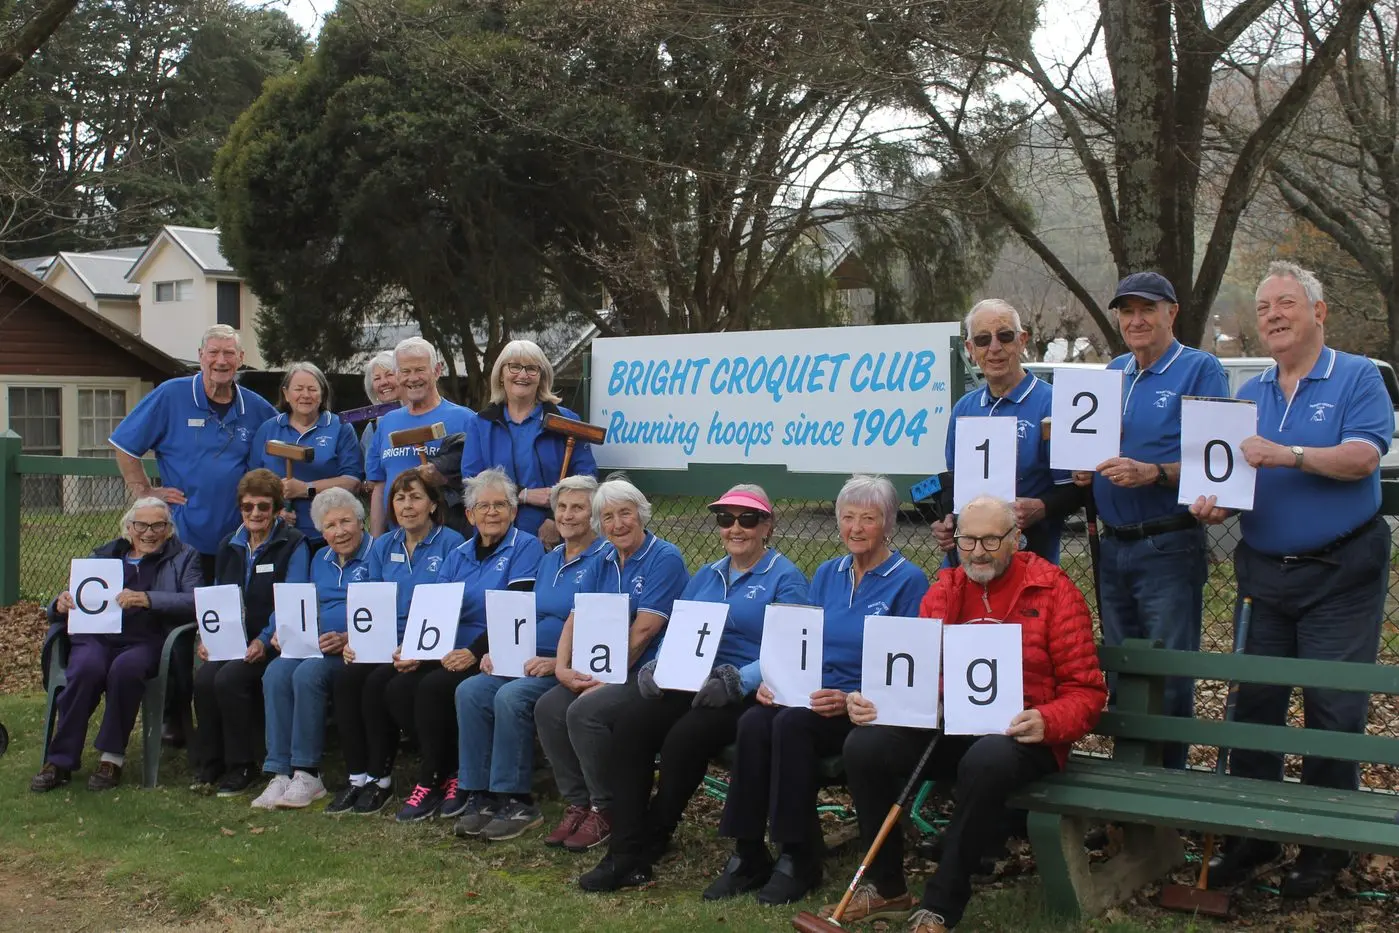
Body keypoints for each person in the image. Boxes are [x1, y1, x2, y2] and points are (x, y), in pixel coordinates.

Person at [1190, 262, 1393, 897]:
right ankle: (1255, 835)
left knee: (1333, 709)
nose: (1273, 315)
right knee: (1255, 707)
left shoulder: (1356, 375)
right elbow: (1233, 480)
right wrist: (1217, 502)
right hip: (1265, 575)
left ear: (1318, 312)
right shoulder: (1251, 394)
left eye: (1287, 304)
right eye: (1265, 308)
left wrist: (1288, 454)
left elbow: (1364, 457)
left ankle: (1324, 845)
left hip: (1340, 573)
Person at [828, 496, 1106, 933]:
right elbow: (915, 674)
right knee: (865, 744)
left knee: (987, 758)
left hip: (1024, 734)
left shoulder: (1053, 590)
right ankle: (886, 886)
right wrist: (876, 700)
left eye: (991, 540)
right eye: (968, 540)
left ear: (1016, 539)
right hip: (952, 726)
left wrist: (1048, 720)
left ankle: (941, 903)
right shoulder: (945, 590)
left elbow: (1086, 691)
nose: (977, 551)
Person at [703, 474, 928, 906]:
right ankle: (747, 851)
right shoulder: (828, 572)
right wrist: (774, 680)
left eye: (869, 518)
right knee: (753, 720)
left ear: (889, 523)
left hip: (866, 708)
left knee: (791, 725)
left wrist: (850, 698)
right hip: (813, 693)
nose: (856, 528)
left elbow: (907, 669)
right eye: (848, 518)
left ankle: (799, 855)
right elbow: (797, 640)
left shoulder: (909, 581)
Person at [579, 484, 809, 892]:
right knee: (632, 724)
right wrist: (657, 663)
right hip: (691, 679)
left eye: (747, 519)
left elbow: (793, 646)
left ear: (766, 526)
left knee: (685, 738)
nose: (735, 528)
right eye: (725, 519)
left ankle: (654, 836)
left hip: (746, 690)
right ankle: (623, 850)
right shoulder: (708, 573)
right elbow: (681, 627)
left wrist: (739, 679)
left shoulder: (785, 577)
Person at [1070, 272, 1228, 771]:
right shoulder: (1113, 372)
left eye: (1147, 309)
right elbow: (1090, 444)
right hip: (1113, 548)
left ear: (1171, 313)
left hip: (1167, 546)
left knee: (1168, 676)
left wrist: (1155, 472)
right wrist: (1083, 464)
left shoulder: (1200, 369)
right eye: (1126, 311)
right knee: (1124, 673)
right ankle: (1130, 799)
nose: (1136, 320)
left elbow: (1216, 464)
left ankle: (1165, 804)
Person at [534, 477, 690, 853]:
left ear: (642, 515)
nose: (618, 524)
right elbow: (575, 615)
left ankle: (608, 808)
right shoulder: (603, 559)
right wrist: (562, 666)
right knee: (549, 707)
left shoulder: (663, 557)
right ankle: (578, 802)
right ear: (600, 525)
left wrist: (606, 676)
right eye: (608, 517)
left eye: (625, 514)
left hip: (647, 672)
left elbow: (645, 631)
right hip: (603, 666)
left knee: (584, 711)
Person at [452, 475, 605, 841]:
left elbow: (603, 626)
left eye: (578, 507)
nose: (567, 515)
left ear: (595, 514)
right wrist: (499, 651)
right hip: (529, 657)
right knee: (471, 690)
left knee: (512, 696)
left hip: (568, 665)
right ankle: (480, 794)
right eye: (562, 507)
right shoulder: (550, 560)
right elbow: (527, 614)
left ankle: (517, 799)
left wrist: (557, 664)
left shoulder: (605, 558)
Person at [387, 468, 545, 823]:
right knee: (398, 686)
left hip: (494, 648)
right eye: (483, 506)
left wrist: (473, 651)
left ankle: (437, 777)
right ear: (469, 514)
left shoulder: (526, 547)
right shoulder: (459, 553)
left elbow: (513, 609)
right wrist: (415, 648)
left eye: (500, 505)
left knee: (433, 688)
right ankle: (446, 769)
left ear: (514, 511)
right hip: (449, 648)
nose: (492, 513)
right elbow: (435, 606)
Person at [31, 498, 203, 792]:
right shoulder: (104, 555)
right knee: (85, 669)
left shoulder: (185, 557)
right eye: (141, 525)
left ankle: (111, 758)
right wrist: (60, 603)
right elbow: (74, 595)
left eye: (158, 525)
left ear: (169, 529)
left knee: (126, 670)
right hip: (96, 636)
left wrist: (148, 599)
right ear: (128, 527)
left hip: (146, 640)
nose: (149, 533)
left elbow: (195, 601)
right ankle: (59, 761)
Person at [327, 468, 465, 815]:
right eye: (399, 498)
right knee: (345, 678)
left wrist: (415, 647)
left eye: (416, 497)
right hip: (385, 641)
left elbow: (447, 608)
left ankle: (381, 778)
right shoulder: (383, 545)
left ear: (433, 505)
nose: (407, 505)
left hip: (429, 644)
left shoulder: (451, 544)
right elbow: (370, 602)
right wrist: (352, 639)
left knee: (377, 685)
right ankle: (358, 777)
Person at [109, 324, 278, 583]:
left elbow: (284, 443)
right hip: (183, 536)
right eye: (213, 353)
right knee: (184, 609)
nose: (221, 361)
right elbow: (124, 445)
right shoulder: (172, 394)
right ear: (201, 356)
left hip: (240, 537)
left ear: (241, 359)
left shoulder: (256, 407)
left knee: (230, 611)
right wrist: (145, 493)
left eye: (229, 353)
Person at [190, 469, 310, 797]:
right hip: (231, 638)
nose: (255, 513)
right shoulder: (229, 545)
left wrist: (262, 639)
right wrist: (207, 637)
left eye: (263, 506)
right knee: (204, 679)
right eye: (247, 507)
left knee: (229, 679)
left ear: (275, 508)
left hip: (273, 638)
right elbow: (217, 595)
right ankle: (211, 760)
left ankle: (242, 764)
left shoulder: (293, 543)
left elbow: (291, 596)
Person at [251, 488, 372, 811]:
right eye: (330, 526)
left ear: (361, 522)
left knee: (308, 674)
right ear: (321, 531)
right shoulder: (320, 558)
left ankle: (308, 772)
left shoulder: (378, 553)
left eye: (346, 521)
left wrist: (350, 636)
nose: (339, 531)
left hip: (353, 649)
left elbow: (386, 609)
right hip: (313, 642)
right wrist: (280, 631)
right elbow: (298, 600)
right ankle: (279, 772)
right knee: (275, 672)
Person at [932, 300, 1077, 564]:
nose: (995, 348)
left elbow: (1075, 489)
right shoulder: (964, 407)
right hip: (968, 563)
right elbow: (955, 485)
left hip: (1030, 560)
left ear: (1022, 341)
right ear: (970, 349)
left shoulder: (1055, 403)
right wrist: (946, 521)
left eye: (1005, 336)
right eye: (983, 339)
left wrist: (1042, 507)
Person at [463, 339, 598, 547]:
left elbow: (586, 479)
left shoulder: (567, 422)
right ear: (501, 375)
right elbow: (473, 481)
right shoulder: (481, 423)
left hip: (553, 535)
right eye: (514, 367)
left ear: (542, 377)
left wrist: (557, 519)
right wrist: (523, 494)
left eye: (532, 369)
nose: (523, 375)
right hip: (498, 532)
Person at [366, 337, 476, 536]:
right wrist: (375, 541)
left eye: (419, 370)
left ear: (437, 370)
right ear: (398, 375)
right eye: (406, 371)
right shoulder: (386, 423)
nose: (413, 378)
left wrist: (443, 479)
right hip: (397, 541)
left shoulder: (466, 419)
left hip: (449, 540)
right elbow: (379, 486)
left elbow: (480, 481)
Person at [251, 362, 364, 550]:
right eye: (298, 389)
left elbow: (352, 481)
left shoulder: (340, 427)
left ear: (322, 394)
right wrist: (274, 511)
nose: (305, 395)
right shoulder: (268, 429)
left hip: (328, 536)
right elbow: (253, 482)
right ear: (286, 394)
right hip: (278, 534)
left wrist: (305, 489)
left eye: (312, 389)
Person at [359, 350, 401, 465]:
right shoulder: (372, 428)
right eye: (377, 378)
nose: (383, 382)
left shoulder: (420, 416)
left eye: (389, 375)